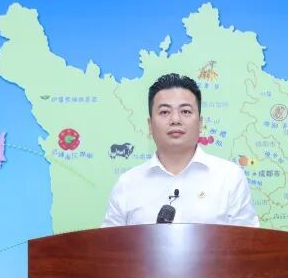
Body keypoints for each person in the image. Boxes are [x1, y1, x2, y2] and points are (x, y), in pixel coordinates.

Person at [101, 73, 259, 227]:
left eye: (185, 111)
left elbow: (248, 241)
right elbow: (108, 243)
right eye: (164, 112)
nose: (175, 119)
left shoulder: (230, 178)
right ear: (150, 125)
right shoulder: (127, 184)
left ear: (200, 123)